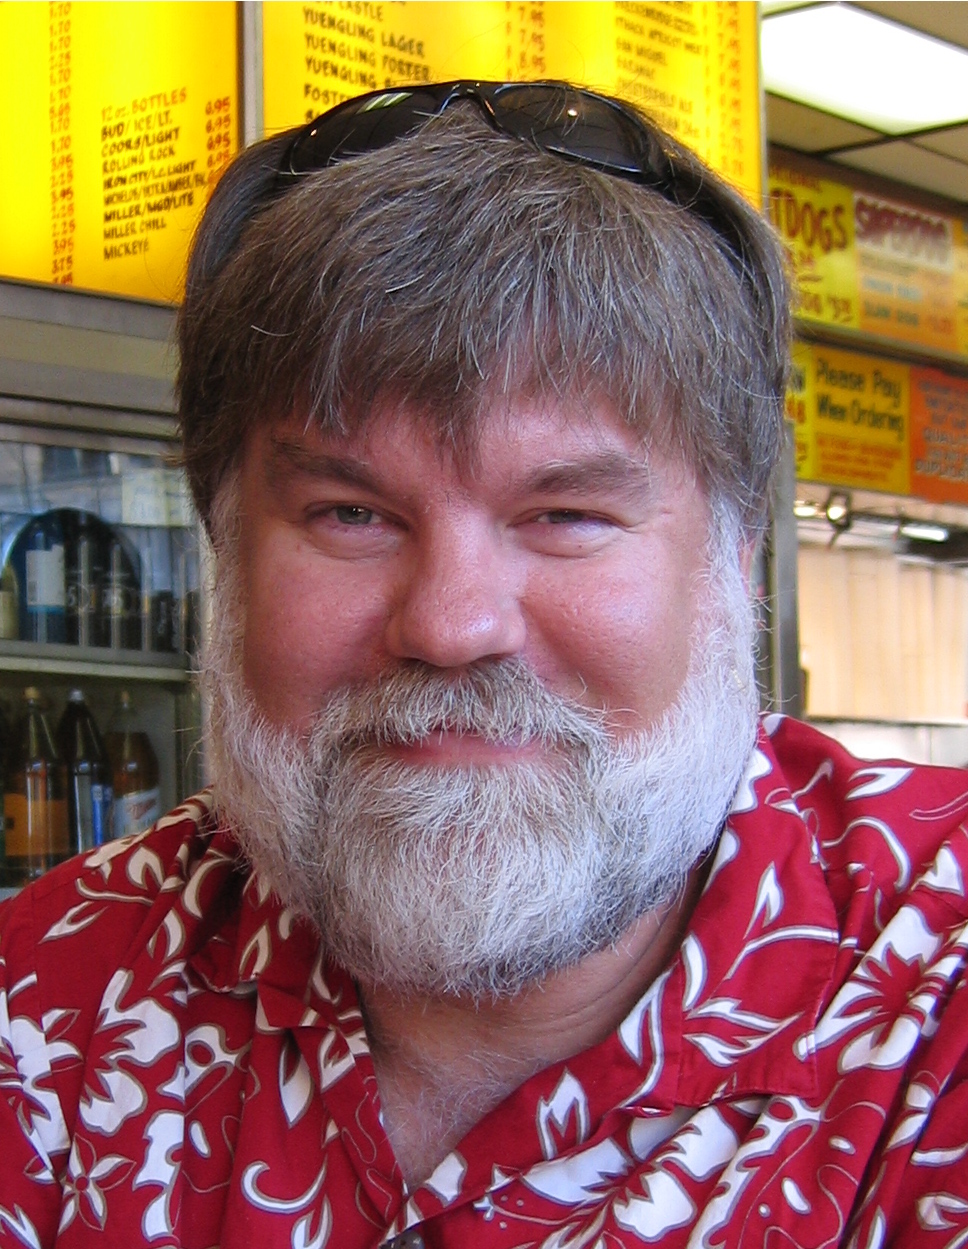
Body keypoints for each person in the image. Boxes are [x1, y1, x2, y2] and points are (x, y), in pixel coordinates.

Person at [1, 81, 966, 1249]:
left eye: (564, 514)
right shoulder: (47, 999)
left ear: (733, 558)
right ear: (225, 553)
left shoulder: (932, 982)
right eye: (350, 512)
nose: (452, 625)